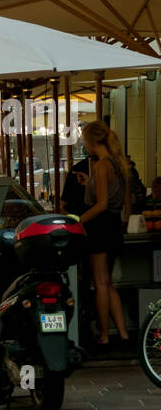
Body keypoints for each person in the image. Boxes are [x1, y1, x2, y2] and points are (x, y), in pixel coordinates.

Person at [78, 121, 131, 351]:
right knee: (108, 283)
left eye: (84, 140)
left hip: (99, 227)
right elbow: (125, 202)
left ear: (91, 141)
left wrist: (77, 220)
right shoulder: (119, 164)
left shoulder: (101, 166)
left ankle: (104, 336)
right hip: (114, 226)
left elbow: (100, 205)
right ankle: (123, 333)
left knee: (99, 283)